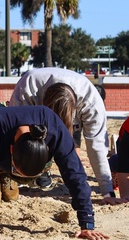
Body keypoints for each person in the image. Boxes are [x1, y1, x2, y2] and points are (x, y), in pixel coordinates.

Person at [0, 105, 109, 240]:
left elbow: (76, 176)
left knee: (59, 170)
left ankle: (10, 177)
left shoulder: (55, 130)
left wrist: (87, 223)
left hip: (26, 154)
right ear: (11, 150)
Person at [7, 68, 112, 197]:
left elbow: (97, 145)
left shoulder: (91, 103)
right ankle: (11, 176)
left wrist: (107, 191)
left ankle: (44, 171)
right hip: (33, 113)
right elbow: (13, 129)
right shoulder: (29, 87)